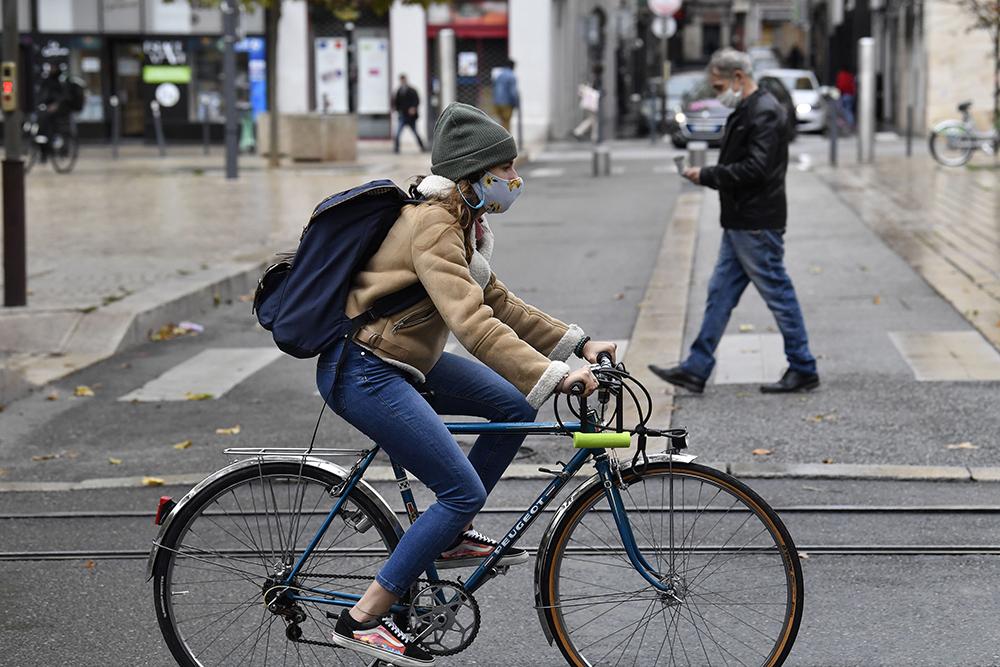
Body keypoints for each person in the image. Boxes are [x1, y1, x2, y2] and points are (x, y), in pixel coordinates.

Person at [323, 102, 617, 666]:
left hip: (404, 360)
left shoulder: (462, 220)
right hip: (364, 368)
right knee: (461, 489)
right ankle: (363, 618)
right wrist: (555, 378)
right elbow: (473, 322)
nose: (513, 179)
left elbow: (499, 302)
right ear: (471, 175)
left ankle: (449, 531)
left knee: (512, 407)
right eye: (503, 169)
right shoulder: (434, 223)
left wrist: (576, 344)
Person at [649, 48, 819, 395]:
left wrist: (707, 174)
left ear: (738, 78)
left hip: (755, 222)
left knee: (778, 293)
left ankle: (803, 366)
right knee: (720, 294)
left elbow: (756, 169)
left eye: (717, 86)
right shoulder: (750, 108)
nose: (716, 93)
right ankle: (696, 368)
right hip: (743, 220)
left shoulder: (764, 111)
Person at [392, 74, 426, 153]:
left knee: (415, 132)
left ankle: (422, 147)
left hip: (411, 117)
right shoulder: (399, 91)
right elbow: (396, 102)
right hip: (402, 115)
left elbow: (416, 100)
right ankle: (396, 149)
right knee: (398, 133)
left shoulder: (412, 90)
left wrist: (413, 108)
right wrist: (397, 110)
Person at [492, 58, 519, 131]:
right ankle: (505, 140)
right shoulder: (511, 76)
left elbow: (494, 87)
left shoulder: (499, 75)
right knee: (506, 123)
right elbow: (512, 92)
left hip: (496, 102)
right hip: (507, 103)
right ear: (512, 66)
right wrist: (515, 103)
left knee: (497, 122)